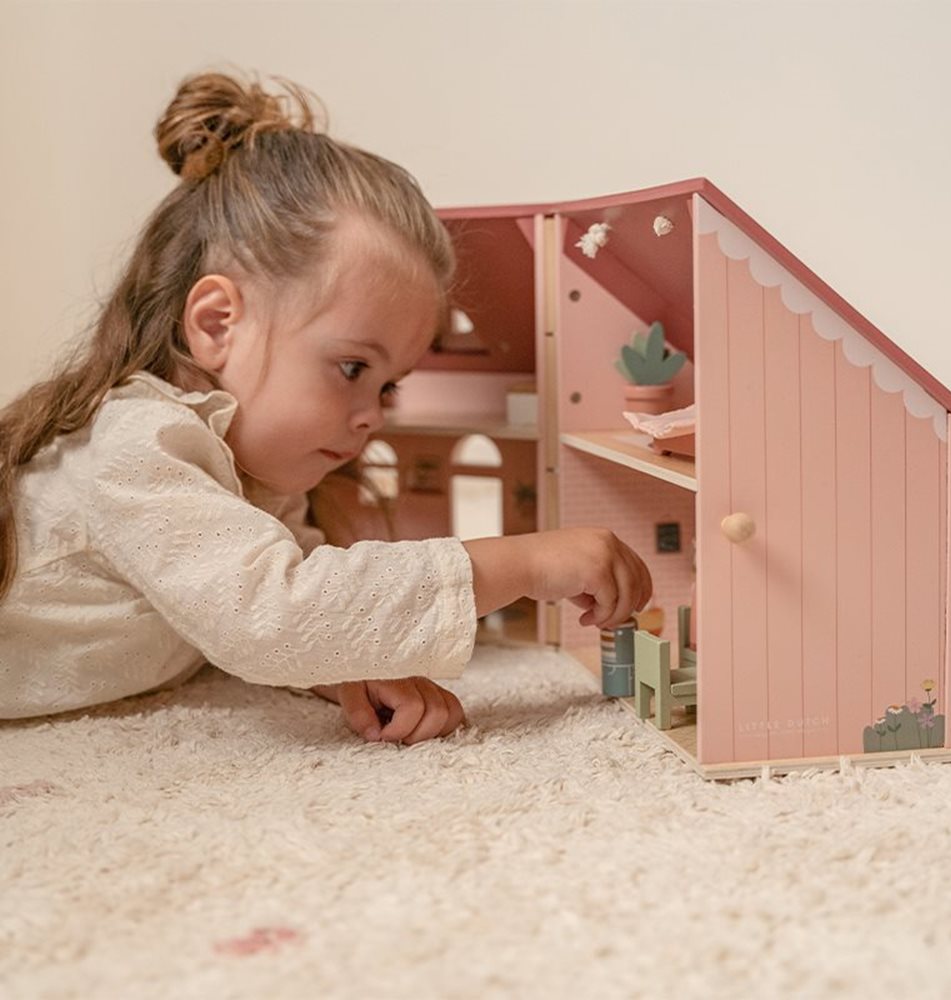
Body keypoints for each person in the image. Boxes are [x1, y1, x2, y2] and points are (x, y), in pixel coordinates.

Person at [0, 72, 651, 742]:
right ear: (219, 324)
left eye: (388, 386)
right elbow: (274, 610)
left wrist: (345, 665)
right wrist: (527, 563)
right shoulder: (134, 444)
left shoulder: (254, 469)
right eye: (352, 368)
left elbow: (293, 611)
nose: (373, 415)